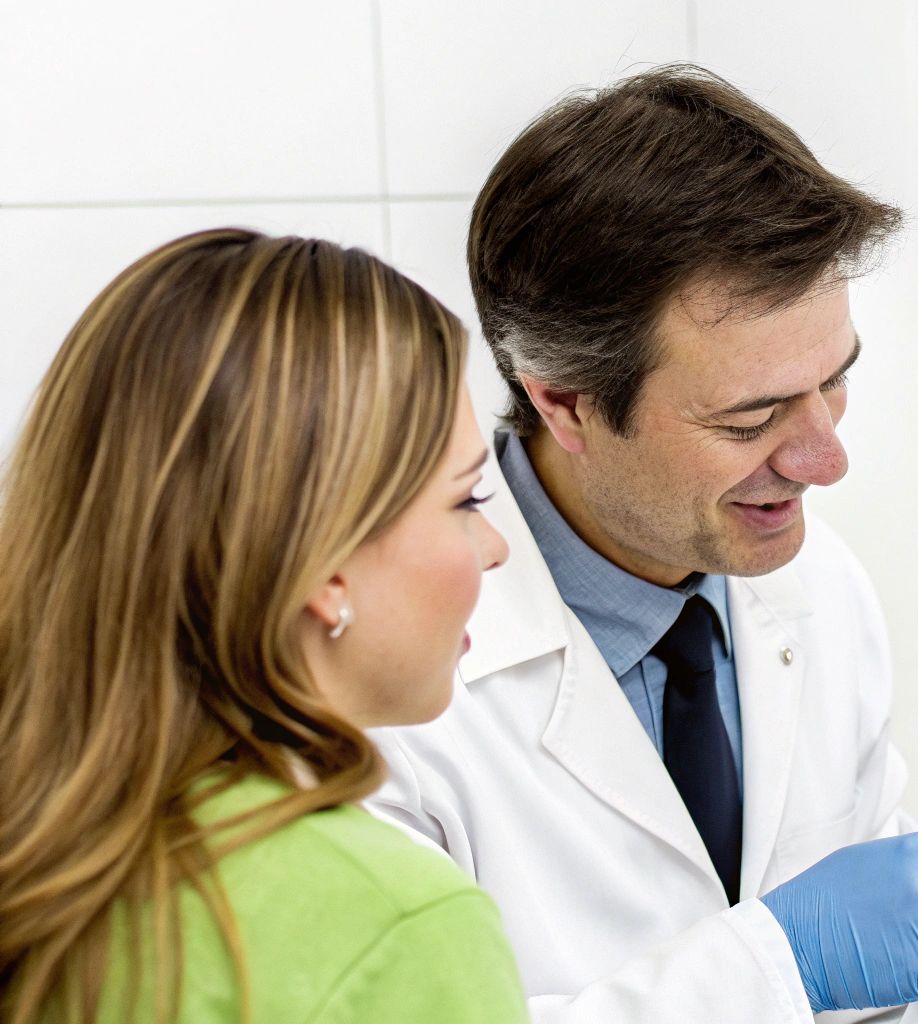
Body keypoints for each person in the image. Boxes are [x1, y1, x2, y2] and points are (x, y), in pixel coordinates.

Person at [365, 64, 918, 1022]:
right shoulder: (386, 686)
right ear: (565, 401)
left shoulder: (816, 584)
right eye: (752, 420)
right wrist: (782, 961)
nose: (826, 461)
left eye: (836, 382)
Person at [0, 229, 526, 1024]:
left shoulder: (44, 859)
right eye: (465, 501)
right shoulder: (392, 922)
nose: (494, 548)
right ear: (322, 564)